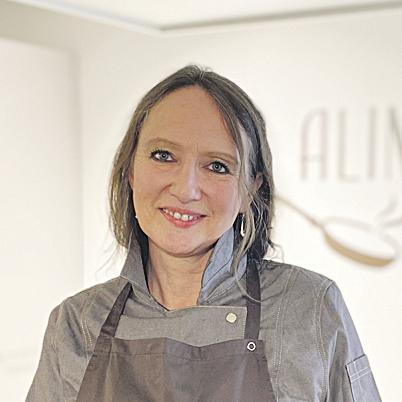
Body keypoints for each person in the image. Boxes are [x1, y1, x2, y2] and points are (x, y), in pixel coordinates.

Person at [26, 65, 382, 402]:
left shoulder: (309, 307)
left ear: (250, 191)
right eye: (163, 155)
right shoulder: (76, 323)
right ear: (130, 169)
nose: (186, 189)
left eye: (217, 166)